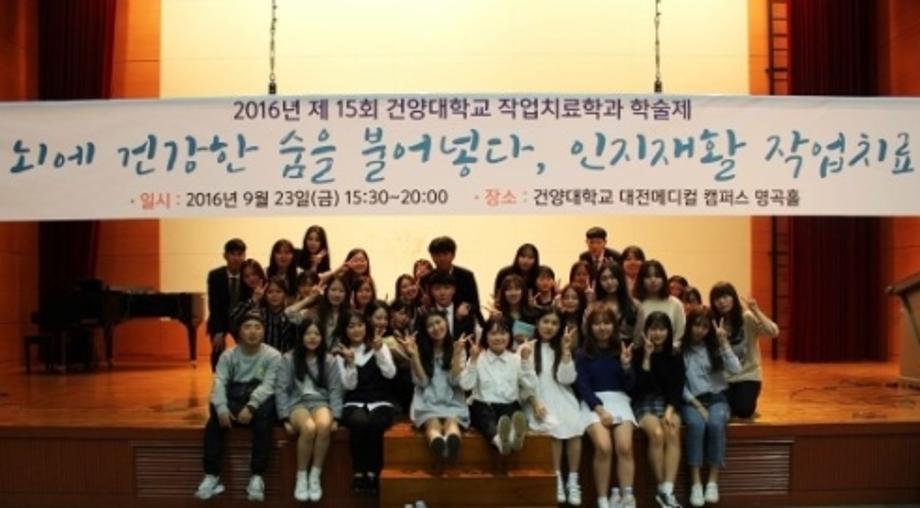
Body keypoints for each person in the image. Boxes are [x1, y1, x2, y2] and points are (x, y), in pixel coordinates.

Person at [196, 311, 281, 502]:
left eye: (257, 327)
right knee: (214, 416)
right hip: (234, 399)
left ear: (264, 331)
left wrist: (251, 407)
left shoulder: (273, 356)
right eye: (247, 327)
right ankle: (211, 475)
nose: (252, 332)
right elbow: (219, 382)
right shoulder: (228, 356)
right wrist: (222, 409)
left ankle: (257, 476)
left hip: (258, 401)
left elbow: (269, 385)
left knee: (266, 415)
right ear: (239, 332)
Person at [275, 318, 344, 502]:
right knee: (309, 428)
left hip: (320, 402)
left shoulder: (328, 360)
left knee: (324, 425)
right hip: (297, 403)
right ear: (301, 336)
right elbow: (281, 389)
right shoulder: (289, 358)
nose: (312, 338)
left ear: (322, 337)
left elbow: (335, 389)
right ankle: (301, 476)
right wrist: (284, 418)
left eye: (317, 334)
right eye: (308, 333)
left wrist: (336, 417)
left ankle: (315, 474)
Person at [575, 306, 637, 508]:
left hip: (619, 399)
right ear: (590, 327)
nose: (602, 328)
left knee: (625, 447)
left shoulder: (622, 349)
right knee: (603, 447)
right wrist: (600, 410)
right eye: (597, 323)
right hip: (593, 403)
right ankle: (602, 499)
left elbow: (630, 386)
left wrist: (626, 366)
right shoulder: (582, 354)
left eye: (607, 323)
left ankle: (627, 497)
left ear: (614, 326)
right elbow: (583, 386)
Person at [681, 307, 741, 507]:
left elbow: (736, 369)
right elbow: (678, 384)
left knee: (715, 424)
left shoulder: (714, 347)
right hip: (692, 400)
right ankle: (696, 483)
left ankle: (713, 482)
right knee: (697, 426)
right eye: (696, 325)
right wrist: (697, 405)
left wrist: (724, 343)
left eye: (705, 327)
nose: (700, 330)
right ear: (689, 325)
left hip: (717, 398)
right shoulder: (679, 349)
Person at [526, 309, 583, 506]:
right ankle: (557, 477)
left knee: (574, 423)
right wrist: (535, 402)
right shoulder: (528, 347)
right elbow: (523, 381)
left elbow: (566, 379)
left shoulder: (561, 347)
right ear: (537, 323)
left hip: (561, 394)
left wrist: (566, 352)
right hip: (536, 398)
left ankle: (573, 480)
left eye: (554, 323)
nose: (549, 327)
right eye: (546, 321)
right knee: (552, 426)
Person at [397, 310, 470, 465]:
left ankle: (451, 441)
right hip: (427, 399)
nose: (436, 328)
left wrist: (457, 354)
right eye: (430, 325)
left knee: (452, 421)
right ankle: (437, 441)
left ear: (446, 322)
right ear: (425, 331)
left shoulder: (457, 347)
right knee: (432, 422)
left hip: (452, 399)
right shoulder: (419, 350)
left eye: (438, 322)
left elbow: (455, 382)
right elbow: (422, 383)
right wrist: (414, 356)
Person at [460, 316, 537, 456]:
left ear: (509, 336)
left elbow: (531, 385)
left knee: (514, 414)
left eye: (503, 333)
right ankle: (501, 442)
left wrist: (526, 361)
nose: (498, 338)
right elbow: (466, 385)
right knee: (483, 417)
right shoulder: (478, 358)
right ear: (485, 336)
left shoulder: (516, 359)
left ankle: (514, 438)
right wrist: (473, 362)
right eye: (493, 333)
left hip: (509, 405)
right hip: (484, 405)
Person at [339, 310, 397, 494]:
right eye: (351, 326)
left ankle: (374, 472)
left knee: (376, 423)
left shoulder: (379, 345)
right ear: (344, 330)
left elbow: (390, 374)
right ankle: (359, 472)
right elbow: (348, 385)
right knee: (359, 422)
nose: (356, 330)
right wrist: (350, 363)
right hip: (354, 402)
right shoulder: (342, 352)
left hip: (380, 401)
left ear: (367, 326)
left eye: (360, 325)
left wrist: (379, 351)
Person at [630, 312, 684, 508]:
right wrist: (647, 356)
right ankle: (663, 489)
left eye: (662, 329)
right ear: (646, 331)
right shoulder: (637, 353)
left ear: (668, 332)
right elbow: (638, 389)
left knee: (672, 430)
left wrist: (669, 410)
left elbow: (677, 387)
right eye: (653, 328)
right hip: (644, 402)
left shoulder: (674, 355)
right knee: (657, 433)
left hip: (668, 402)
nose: (657, 333)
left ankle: (667, 491)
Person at [709, 282, 780, 418]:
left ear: (733, 298)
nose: (722, 302)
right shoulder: (714, 323)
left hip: (748, 375)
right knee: (722, 409)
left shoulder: (746, 317)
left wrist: (756, 311)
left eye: (725, 296)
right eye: (717, 299)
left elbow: (773, 332)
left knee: (743, 410)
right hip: (724, 378)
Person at [206, 238, 249, 372]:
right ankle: (218, 377)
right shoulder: (215, 275)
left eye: (240, 254)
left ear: (244, 256)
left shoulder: (248, 274)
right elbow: (214, 305)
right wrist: (218, 331)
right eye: (232, 254)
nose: (236, 258)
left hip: (242, 319)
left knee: (247, 351)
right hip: (221, 318)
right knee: (218, 350)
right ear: (225, 255)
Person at [425, 236, 484, 326]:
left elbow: (475, 304)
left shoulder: (466, 276)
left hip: (463, 322)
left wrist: (466, 306)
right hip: (435, 324)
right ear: (432, 257)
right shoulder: (426, 279)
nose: (441, 259)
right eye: (437, 255)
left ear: (453, 255)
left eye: (445, 254)